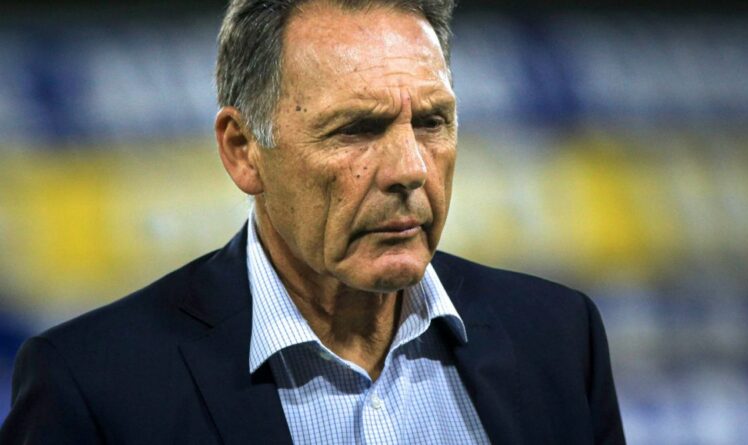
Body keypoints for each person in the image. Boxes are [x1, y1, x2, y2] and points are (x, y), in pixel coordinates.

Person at [1, 0, 625, 443]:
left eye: (432, 122)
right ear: (243, 150)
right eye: (358, 129)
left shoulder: (559, 337)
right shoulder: (93, 386)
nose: (410, 169)